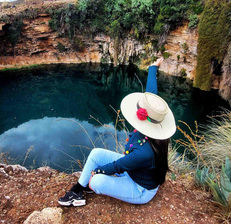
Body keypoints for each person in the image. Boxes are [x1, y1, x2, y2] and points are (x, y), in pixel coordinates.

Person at [58, 58, 176, 207]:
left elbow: (119, 165)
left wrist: (96, 172)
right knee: (96, 154)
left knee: (96, 181)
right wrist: (153, 68)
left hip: (140, 189)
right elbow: (151, 94)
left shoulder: (145, 152)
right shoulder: (154, 128)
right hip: (134, 171)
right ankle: (77, 191)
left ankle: (90, 186)